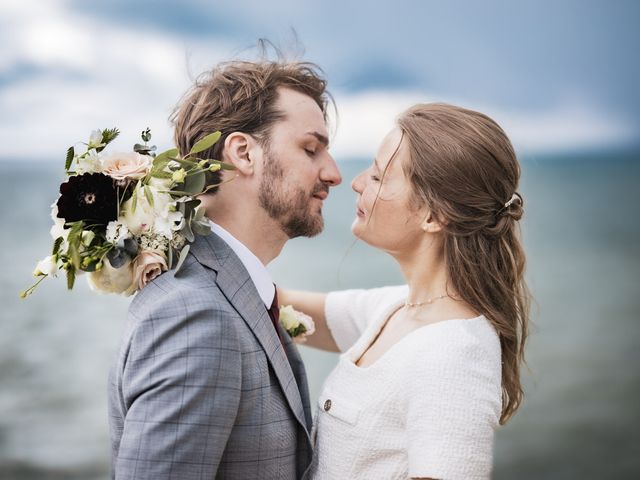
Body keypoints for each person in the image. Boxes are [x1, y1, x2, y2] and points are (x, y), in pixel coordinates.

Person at [107, 59, 342, 479]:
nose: (334, 173)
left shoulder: (232, 296)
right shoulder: (196, 316)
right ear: (243, 152)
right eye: (311, 149)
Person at [280, 103, 530, 479]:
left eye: (379, 177)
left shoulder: (454, 354)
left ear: (434, 216)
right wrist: (165, 240)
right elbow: (280, 307)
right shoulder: (395, 308)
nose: (357, 182)